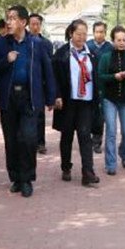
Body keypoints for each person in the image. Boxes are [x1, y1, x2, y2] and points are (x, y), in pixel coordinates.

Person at [0, 5, 55, 198]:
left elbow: (47, 71)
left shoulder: (36, 44)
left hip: (30, 97)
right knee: (11, 140)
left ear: (23, 22)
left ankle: (27, 179)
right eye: (7, 18)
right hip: (8, 98)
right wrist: (6, 61)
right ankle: (16, 178)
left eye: (12, 18)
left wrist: (51, 97)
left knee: (28, 139)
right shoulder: (0, 44)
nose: (8, 22)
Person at [51, 19, 100, 186]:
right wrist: (57, 96)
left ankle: (88, 173)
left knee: (85, 136)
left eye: (85, 34)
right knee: (67, 136)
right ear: (71, 34)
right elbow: (54, 77)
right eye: (79, 34)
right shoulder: (62, 54)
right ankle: (66, 167)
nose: (82, 37)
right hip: (68, 101)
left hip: (86, 101)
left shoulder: (91, 54)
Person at [98, 25, 125, 175]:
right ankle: (110, 164)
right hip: (109, 99)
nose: (122, 43)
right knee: (111, 132)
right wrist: (113, 77)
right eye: (119, 40)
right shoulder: (105, 57)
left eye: (124, 40)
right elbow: (100, 76)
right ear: (113, 41)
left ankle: (124, 152)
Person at [86, 21, 113, 154]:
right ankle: (87, 139)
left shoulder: (110, 47)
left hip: (104, 85)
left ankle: (97, 141)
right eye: (97, 32)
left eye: (102, 32)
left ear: (105, 33)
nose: (99, 34)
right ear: (93, 32)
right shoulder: (87, 46)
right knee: (88, 112)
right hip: (88, 84)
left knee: (100, 114)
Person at [29, 13, 54, 155]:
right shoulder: (24, 41)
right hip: (28, 84)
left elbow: (49, 67)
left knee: (40, 115)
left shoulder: (46, 44)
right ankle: (30, 142)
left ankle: (40, 142)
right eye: (32, 24)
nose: (35, 27)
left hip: (41, 84)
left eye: (37, 24)